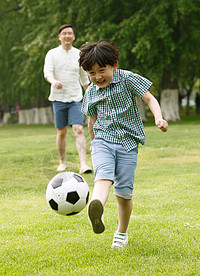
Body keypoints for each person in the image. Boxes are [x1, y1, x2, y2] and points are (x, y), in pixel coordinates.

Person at [79, 39, 168, 249]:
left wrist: (159, 118)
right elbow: (91, 120)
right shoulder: (91, 91)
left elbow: (149, 98)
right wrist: (93, 142)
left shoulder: (127, 78)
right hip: (103, 140)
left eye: (102, 70)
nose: (98, 77)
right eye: (92, 73)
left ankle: (121, 232)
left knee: (124, 193)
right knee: (103, 177)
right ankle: (97, 206)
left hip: (128, 143)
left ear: (114, 65)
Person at [43, 24, 92, 174]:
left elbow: (84, 78)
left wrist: (90, 95)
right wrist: (53, 82)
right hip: (58, 98)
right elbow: (47, 72)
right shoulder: (52, 53)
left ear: (74, 37)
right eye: (64, 33)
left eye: (70, 33)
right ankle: (62, 162)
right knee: (61, 132)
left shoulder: (79, 54)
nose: (67, 36)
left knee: (78, 129)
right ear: (59, 37)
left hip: (75, 98)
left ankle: (83, 164)